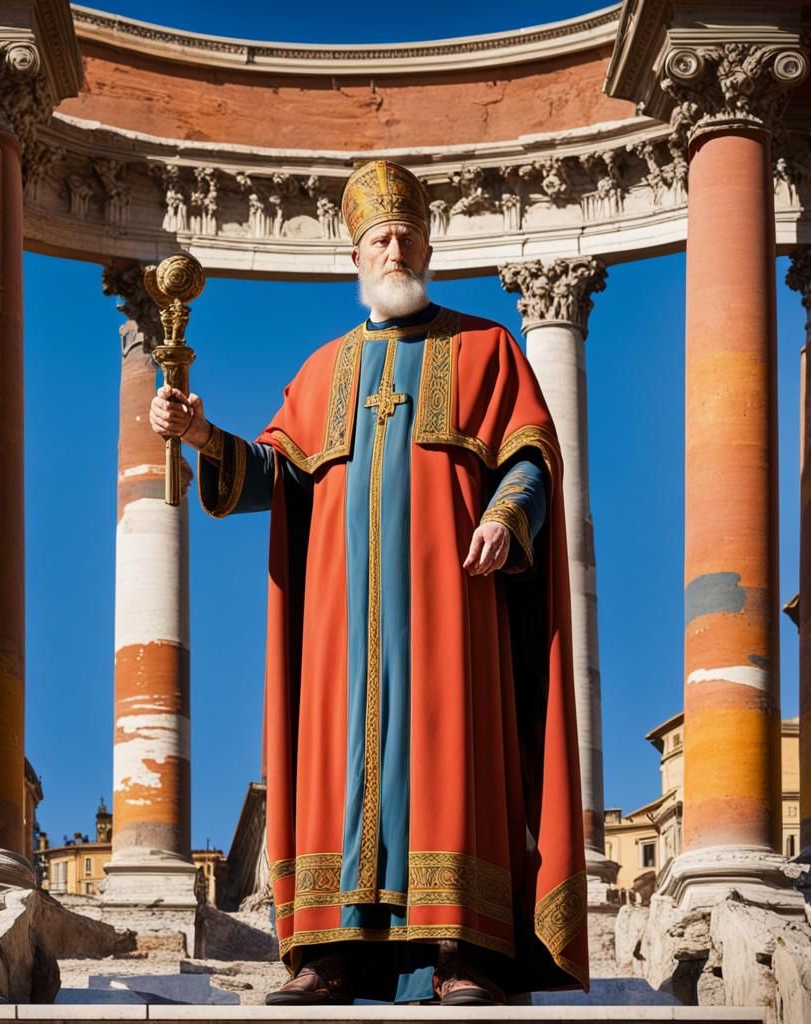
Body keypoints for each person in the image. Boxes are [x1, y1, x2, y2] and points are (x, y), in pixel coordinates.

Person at [150, 159, 587, 1004]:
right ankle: (328, 953)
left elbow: (531, 457)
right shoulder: (324, 370)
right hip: (340, 623)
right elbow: (276, 475)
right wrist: (203, 436)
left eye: (407, 237)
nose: (395, 249)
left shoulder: (487, 349)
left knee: (454, 758)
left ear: (428, 248)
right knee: (336, 767)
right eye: (381, 239)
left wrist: (505, 516)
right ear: (356, 257)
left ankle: (465, 951)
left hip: (455, 607)